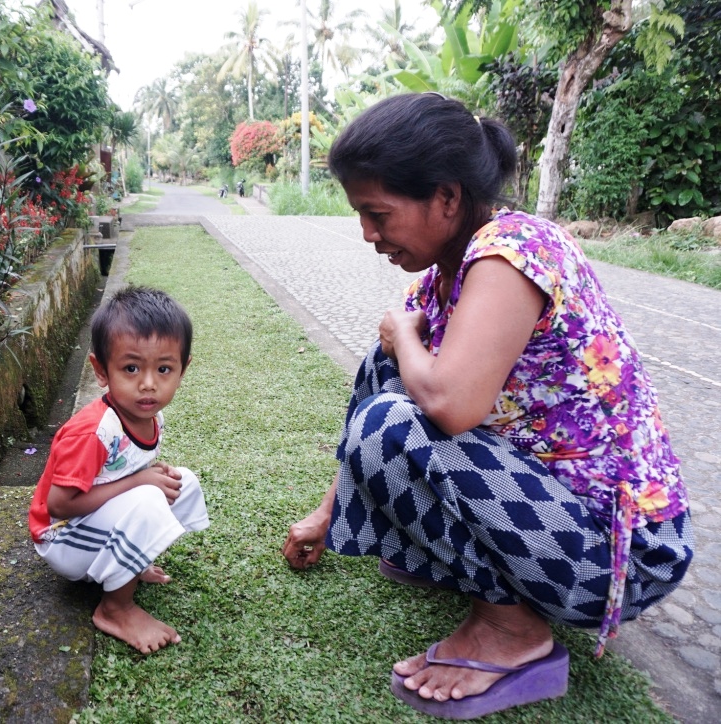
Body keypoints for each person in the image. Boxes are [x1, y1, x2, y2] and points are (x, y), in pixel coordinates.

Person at [280, 93, 693, 720]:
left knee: (392, 417)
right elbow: (396, 374)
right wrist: (325, 512)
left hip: (618, 554)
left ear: (446, 197)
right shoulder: (444, 277)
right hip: (551, 517)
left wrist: (405, 332)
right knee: (385, 367)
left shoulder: (514, 249)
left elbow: (449, 406)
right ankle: (467, 571)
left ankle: (513, 632)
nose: (367, 234)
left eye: (377, 213)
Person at [29, 286, 210, 654]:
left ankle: (130, 563)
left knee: (180, 481)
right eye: (130, 368)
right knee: (147, 496)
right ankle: (115, 608)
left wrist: (145, 480)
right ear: (100, 370)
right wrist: (139, 481)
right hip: (62, 538)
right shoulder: (94, 430)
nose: (148, 383)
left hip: (92, 523)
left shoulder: (150, 415)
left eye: (164, 369)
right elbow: (59, 505)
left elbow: (125, 479)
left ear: (183, 368)